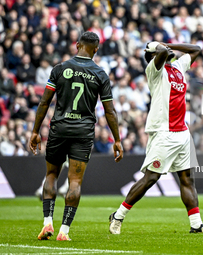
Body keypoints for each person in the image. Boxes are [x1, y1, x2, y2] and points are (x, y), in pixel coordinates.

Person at [108, 42, 203, 234]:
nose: (167, 51)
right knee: (151, 178)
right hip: (164, 133)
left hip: (182, 132)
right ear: (153, 55)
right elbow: (161, 53)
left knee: (187, 179)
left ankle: (196, 224)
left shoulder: (178, 66)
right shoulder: (154, 69)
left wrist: (169, 44)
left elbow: (196, 49)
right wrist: (162, 49)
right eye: (161, 50)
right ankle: (118, 216)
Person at [29, 32, 123, 241]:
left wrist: (35, 131)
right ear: (96, 49)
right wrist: (117, 140)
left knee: (51, 175)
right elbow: (109, 111)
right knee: (75, 181)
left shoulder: (60, 69)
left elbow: (44, 102)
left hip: (59, 128)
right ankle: (64, 231)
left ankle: (47, 223)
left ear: (77, 45)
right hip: (83, 132)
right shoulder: (100, 74)